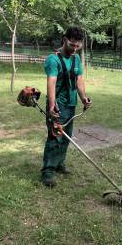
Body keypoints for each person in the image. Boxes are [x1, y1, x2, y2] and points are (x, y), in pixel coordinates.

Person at [41, 27, 92, 187]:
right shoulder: (53, 59)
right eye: (72, 45)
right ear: (64, 39)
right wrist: (51, 105)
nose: (74, 48)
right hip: (57, 105)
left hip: (71, 105)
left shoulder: (77, 60)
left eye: (78, 46)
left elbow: (79, 81)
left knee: (67, 137)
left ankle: (59, 163)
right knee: (55, 138)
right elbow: (51, 82)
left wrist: (84, 99)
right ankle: (48, 171)